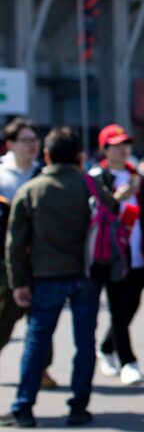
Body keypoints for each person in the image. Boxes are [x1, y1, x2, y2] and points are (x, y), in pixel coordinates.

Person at [1, 127, 117, 428]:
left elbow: (15, 245)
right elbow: (111, 210)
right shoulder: (87, 185)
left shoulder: (31, 190)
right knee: (84, 343)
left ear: (47, 154)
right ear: (79, 156)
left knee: (36, 341)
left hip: (44, 276)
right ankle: (78, 406)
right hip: (85, 274)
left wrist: (18, 283)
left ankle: (23, 407)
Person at [90, 124, 144, 385]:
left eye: (125, 144)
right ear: (104, 149)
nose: (122, 150)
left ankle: (107, 347)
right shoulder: (97, 178)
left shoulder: (137, 178)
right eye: (116, 145)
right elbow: (95, 215)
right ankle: (128, 360)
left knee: (132, 305)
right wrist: (116, 200)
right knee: (119, 308)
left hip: (137, 251)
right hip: (112, 253)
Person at [0, 118, 56, 389]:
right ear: (10, 144)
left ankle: (42, 368)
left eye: (35, 140)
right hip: (5, 258)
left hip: (38, 257)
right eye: (25, 140)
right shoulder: (1, 174)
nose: (32, 145)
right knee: (5, 314)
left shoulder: (43, 174)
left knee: (41, 318)